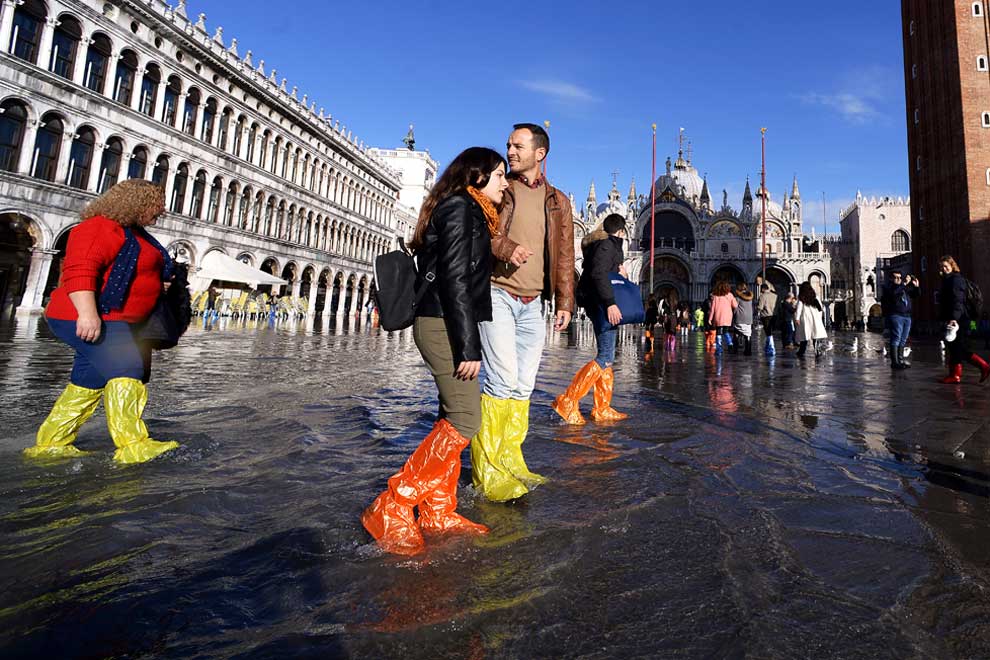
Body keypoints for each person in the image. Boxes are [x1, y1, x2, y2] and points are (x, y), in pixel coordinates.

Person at [362, 147, 507, 555]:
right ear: (476, 176)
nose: (504, 182)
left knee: (451, 413)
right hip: (443, 322)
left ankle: (438, 510)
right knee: (465, 418)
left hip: (448, 320)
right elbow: (455, 278)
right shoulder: (461, 208)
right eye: (498, 174)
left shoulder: (465, 209)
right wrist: (467, 345)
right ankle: (394, 503)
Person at [25, 180, 180, 464]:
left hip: (117, 319)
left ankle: (52, 442)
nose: (162, 210)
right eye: (156, 204)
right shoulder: (98, 227)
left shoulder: (137, 234)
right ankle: (133, 445)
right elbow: (80, 271)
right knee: (128, 369)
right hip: (89, 316)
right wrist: (88, 314)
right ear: (137, 203)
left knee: (88, 382)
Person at [471, 123, 575, 502]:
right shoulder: (500, 188)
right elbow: (479, 230)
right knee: (500, 381)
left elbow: (564, 253)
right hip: (497, 292)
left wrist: (564, 301)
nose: (510, 151)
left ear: (540, 153)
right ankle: (488, 470)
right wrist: (505, 248)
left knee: (522, 385)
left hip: (534, 303)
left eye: (518, 146)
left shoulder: (558, 201)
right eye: (508, 145)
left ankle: (512, 459)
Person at [553, 213, 628, 425]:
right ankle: (568, 401)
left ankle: (602, 407)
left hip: (601, 303)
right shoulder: (607, 246)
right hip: (602, 304)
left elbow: (603, 272)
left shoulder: (606, 245)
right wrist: (610, 303)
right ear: (622, 231)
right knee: (604, 356)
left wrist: (619, 270)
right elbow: (598, 274)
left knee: (608, 356)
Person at [937, 255, 990, 384]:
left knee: (959, 348)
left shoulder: (955, 280)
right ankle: (955, 374)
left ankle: (983, 367)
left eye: (946, 266)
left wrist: (954, 318)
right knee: (954, 347)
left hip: (960, 319)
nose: (944, 269)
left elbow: (958, 300)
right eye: (942, 267)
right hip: (955, 318)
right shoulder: (947, 280)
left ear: (952, 266)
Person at [880, 270, 919, 370]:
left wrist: (916, 286)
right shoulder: (888, 287)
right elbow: (894, 294)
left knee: (903, 338)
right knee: (896, 337)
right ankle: (895, 362)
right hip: (896, 315)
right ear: (890, 278)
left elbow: (915, 295)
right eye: (896, 277)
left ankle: (900, 360)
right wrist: (904, 284)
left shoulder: (904, 288)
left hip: (907, 315)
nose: (898, 279)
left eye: (900, 277)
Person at [795, 282, 828, 358]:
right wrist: (819, 317)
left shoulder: (801, 297)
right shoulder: (815, 296)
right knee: (815, 334)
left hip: (805, 317)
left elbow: (799, 308)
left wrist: (797, 318)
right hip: (815, 317)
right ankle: (817, 350)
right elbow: (820, 308)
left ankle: (801, 351)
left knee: (804, 335)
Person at [708, 281, 737, 355]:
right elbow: (735, 305)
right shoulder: (730, 295)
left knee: (718, 333)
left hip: (718, 317)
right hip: (728, 317)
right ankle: (730, 343)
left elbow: (712, 309)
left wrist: (710, 319)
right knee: (726, 331)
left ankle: (719, 349)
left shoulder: (715, 296)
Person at [732, 283, 754, 356]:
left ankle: (735, 350)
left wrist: (733, 314)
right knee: (748, 334)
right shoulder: (750, 298)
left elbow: (735, 308)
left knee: (736, 333)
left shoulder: (737, 298)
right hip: (749, 319)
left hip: (740, 318)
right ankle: (748, 351)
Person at [757, 282, 778, 355]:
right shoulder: (775, 295)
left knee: (768, 332)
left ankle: (771, 348)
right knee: (770, 331)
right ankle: (767, 347)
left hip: (766, 316)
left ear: (763, 289)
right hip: (774, 315)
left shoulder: (763, 296)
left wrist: (757, 309)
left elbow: (760, 307)